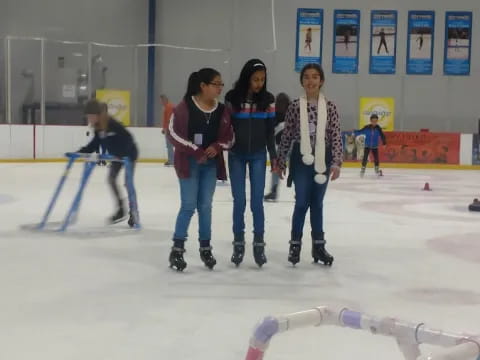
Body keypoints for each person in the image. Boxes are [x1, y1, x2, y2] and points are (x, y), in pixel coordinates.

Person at [275, 63, 342, 266]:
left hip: (323, 158)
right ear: (302, 81)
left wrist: (337, 162)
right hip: (301, 159)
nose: (311, 81)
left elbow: (336, 135)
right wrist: (281, 161)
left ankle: (319, 247)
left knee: (317, 204)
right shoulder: (295, 106)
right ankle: (295, 245)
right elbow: (287, 135)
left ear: (321, 81)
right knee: (302, 203)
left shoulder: (330, 107)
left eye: (315, 77)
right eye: (306, 77)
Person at [167, 68, 233, 271]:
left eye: (221, 84)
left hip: (210, 165)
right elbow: (172, 134)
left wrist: (217, 146)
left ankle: (205, 247)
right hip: (189, 163)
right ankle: (177, 248)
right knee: (188, 205)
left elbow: (230, 137)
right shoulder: (184, 108)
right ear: (203, 86)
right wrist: (195, 150)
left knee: (205, 206)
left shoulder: (222, 110)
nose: (220, 88)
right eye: (216, 84)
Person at [225, 59, 276, 268]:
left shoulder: (268, 100)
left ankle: (259, 243)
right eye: (255, 79)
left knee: (257, 202)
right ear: (247, 77)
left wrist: (274, 157)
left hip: (257, 155)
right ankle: (238, 242)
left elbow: (270, 132)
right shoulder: (232, 98)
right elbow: (225, 126)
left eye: (262, 80)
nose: (259, 84)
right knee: (239, 201)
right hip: (236, 154)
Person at [79, 99, 139, 226]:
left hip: (128, 155)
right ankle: (121, 209)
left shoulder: (113, 124)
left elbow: (128, 139)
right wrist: (82, 151)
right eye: (88, 117)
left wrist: (123, 154)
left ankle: (134, 212)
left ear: (98, 115)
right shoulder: (98, 128)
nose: (89, 119)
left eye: (91, 116)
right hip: (116, 157)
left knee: (128, 184)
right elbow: (94, 143)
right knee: (111, 179)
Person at [264, 92, 291, 202]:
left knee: (296, 170)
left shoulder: (291, 112)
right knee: (276, 169)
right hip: (279, 146)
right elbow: (271, 131)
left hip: (292, 145)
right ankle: (274, 190)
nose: (280, 105)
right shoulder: (274, 114)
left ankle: (300, 192)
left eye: (282, 103)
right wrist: (281, 126)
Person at [161, 95, 175, 166]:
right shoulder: (168, 106)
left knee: (169, 145)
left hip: (169, 129)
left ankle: (171, 160)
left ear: (165, 100)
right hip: (169, 129)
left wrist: (166, 129)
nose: (161, 102)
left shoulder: (169, 107)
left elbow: (169, 119)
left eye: (162, 100)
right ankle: (172, 160)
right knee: (170, 145)